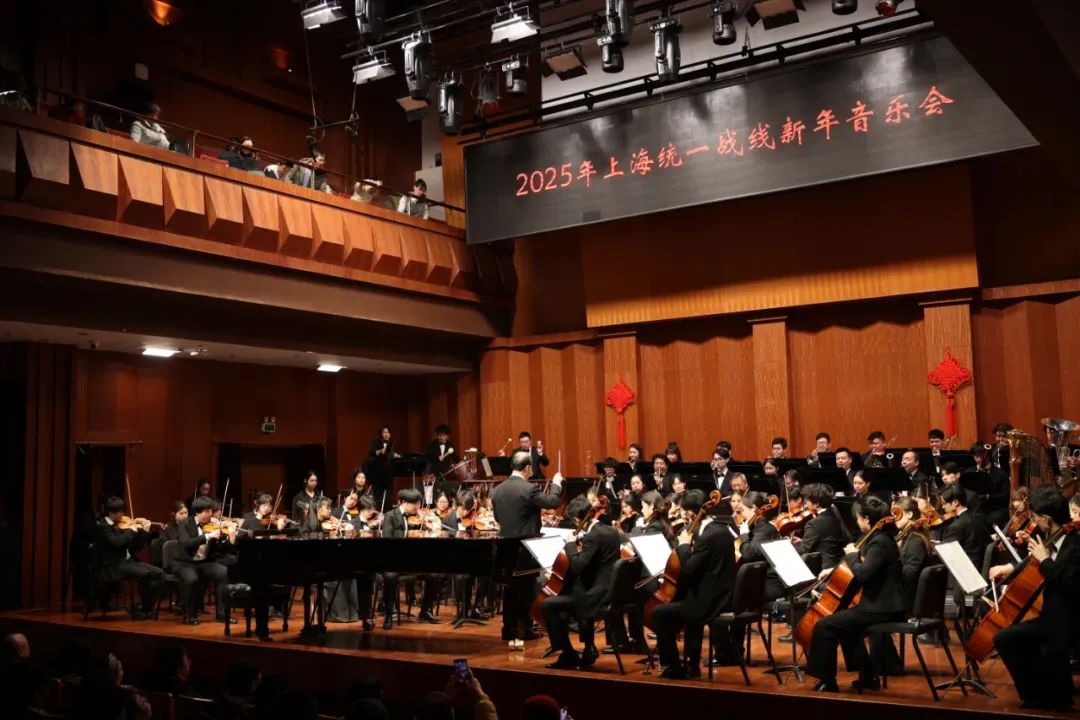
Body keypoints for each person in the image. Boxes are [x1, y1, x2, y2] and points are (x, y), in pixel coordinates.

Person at [990, 486, 1080, 711]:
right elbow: (1038, 566)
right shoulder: (1054, 537)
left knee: (1006, 638)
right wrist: (1016, 566)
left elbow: (1071, 584)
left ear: (1047, 519)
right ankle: (1053, 691)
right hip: (1054, 615)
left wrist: (1045, 561)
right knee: (1011, 635)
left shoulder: (1075, 545)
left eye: (1035, 517)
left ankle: (1039, 695)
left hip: (1070, 619)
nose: (1033, 521)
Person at [806, 496, 905, 692]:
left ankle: (827, 680)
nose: (857, 522)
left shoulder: (880, 543)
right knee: (844, 625)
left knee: (824, 625)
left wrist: (851, 555)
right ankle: (868, 676)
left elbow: (863, 573)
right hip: (879, 604)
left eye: (858, 518)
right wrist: (836, 568)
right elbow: (865, 565)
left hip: (881, 607)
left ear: (867, 519)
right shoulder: (879, 539)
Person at [651, 489, 737, 679]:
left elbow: (689, 569)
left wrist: (683, 546)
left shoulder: (706, 537)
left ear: (691, 513)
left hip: (709, 603)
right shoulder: (723, 530)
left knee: (658, 614)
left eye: (684, 512)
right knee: (684, 606)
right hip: (723, 597)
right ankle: (692, 665)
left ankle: (674, 667)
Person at [491, 450, 564, 645]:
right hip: (525, 547)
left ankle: (509, 629)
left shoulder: (497, 490)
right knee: (526, 589)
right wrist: (556, 484)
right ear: (527, 468)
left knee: (510, 589)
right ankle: (524, 629)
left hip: (505, 547)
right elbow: (553, 502)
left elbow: (497, 518)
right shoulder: (528, 489)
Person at [541, 495, 620, 669]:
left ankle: (568, 654)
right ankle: (588, 647)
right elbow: (597, 559)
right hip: (609, 592)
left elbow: (577, 567)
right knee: (572, 590)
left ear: (577, 519)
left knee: (548, 605)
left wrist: (570, 545)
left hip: (594, 597)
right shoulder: (611, 531)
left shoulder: (593, 536)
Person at [163, 496, 237, 625]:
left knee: (223, 572)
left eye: (211, 511)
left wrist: (231, 539)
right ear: (198, 512)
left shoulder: (213, 525)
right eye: (207, 511)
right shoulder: (185, 524)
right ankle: (190, 614)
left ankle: (222, 614)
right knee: (192, 579)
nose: (210, 514)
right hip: (184, 563)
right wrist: (206, 536)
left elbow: (221, 549)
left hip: (204, 562)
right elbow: (186, 543)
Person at [380, 488, 441, 627]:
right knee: (390, 577)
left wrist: (428, 522)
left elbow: (435, 530)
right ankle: (388, 614)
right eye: (415, 504)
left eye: (418, 504)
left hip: (414, 561)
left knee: (435, 575)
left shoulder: (419, 517)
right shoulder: (390, 516)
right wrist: (408, 536)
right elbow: (388, 539)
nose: (417, 507)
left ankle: (425, 611)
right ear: (403, 502)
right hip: (394, 562)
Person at [94, 497, 163, 619]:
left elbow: (137, 547)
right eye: (120, 512)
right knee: (145, 575)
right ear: (111, 513)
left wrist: (145, 531)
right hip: (114, 565)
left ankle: (144, 606)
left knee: (159, 573)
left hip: (129, 562)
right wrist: (130, 531)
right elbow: (117, 542)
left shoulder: (123, 526)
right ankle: (146, 610)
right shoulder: (103, 526)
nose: (123, 515)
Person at [739, 492, 785, 600]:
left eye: (743, 510)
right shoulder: (759, 528)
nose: (741, 514)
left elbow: (748, 554)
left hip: (768, 584)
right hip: (762, 580)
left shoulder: (764, 530)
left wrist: (744, 535)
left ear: (754, 509)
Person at [941, 483, 991, 569]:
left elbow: (947, 555)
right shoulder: (976, 518)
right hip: (980, 566)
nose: (943, 507)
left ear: (955, 502)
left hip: (966, 570)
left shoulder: (956, 526)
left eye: (944, 503)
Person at [797, 483, 846, 569]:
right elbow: (825, 538)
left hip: (823, 568)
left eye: (807, 501)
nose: (806, 505)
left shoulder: (813, 523)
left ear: (816, 504)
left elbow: (803, 550)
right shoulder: (834, 514)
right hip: (838, 563)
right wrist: (803, 540)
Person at [366, 426, 400, 502]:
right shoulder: (376, 442)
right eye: (384, 432)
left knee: (388, 489)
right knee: (378, 490)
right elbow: (371, 452)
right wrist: (380, 451)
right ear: (381, 433)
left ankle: (388, 504)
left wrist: (396, 455)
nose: (386, 434)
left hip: (388, 471)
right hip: (378, 470)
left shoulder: (392, 443)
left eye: (388, 432)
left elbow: (394, 453)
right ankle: (378, 504)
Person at [427, 424, 460, 497]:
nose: (441, 437)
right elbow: (428, 457)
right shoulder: (432, 444)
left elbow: (455, 457)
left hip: (445, 472)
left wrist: (460, 463)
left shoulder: (450, 445)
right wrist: (437, 458)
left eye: (443, 435)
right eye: (439, 435)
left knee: (446, 491)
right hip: (433, 472)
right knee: (431, 492)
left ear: (447, 436)